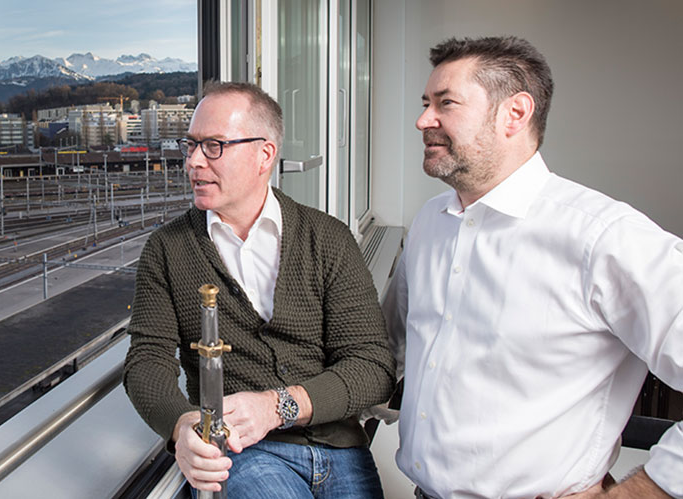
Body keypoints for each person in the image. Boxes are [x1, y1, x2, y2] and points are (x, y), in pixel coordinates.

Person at [383, 36, 682, 498]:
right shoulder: (429, 223)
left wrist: (634, 494)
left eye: (446, 103)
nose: (424, 120)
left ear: (515, 114)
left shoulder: (605, 238)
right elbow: (391, 348)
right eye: (426, 103)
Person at [124, 81, 395, 498]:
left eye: (213, 145)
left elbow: (373, 366)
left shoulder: (327, 238)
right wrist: (182, 427)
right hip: (242, 453)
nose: (194, 161)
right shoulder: (167, 250)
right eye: (190, 145)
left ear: (264, 154)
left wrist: (276, 406)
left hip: (341, 448)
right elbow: (146, 363)